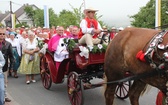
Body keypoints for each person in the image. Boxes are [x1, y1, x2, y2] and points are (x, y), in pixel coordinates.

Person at [0, 27, 14, 102]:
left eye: (3, 34)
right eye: (0, 34)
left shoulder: (8, 44)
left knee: (4, 83)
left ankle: (4, 96)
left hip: (4, 66)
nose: (1, 35)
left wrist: (11, 67)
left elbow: (11, 56)